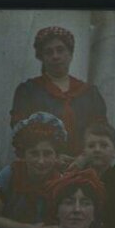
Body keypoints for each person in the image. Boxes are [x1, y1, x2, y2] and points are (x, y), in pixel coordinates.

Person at [10, 26, 108, 158]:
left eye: (60, 50)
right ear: (42, 58)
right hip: (42, 164)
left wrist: (82, 159)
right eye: (48, 52)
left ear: (70, 54)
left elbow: (101, 131)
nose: (55, 56)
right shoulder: (28, 91)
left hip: (84, 164)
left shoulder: (89, 93)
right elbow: (21, 133)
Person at [0, 112, 64, 228]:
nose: (41, 161)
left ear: (56, 155)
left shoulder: (62, 181)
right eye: (34, 153)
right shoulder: (10, 174)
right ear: (23, 154)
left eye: (47, 154)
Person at [66, 121, 115, 228]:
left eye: (104, 145)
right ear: (84, 152)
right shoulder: (79, 178)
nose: (97, 150)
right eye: (91, 146)